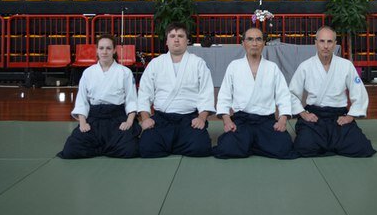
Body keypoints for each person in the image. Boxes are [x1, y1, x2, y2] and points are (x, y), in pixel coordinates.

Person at [289, 26, 376, 157]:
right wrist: (303, 114)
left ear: (335, 44)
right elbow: (292, 94)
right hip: (315, 115)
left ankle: (331, 142)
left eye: (329, 42)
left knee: (362, 147)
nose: (326, 46)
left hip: (338, 116)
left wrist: (350, 116)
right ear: (316, 43)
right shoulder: (305, 66)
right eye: (322, 41)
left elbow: (359, 92)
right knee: (304, 146)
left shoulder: (346, 65)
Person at [213, 27, 297, 159]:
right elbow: (224, 96)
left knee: (284, 146)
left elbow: (283, 96)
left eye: (258, 39)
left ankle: (249, 144)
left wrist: (282, 120)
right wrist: (227, 120)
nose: (254, 43)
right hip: (242, 120)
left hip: (265, 121)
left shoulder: (272, 68)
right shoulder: (234, 66)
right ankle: (256, 144)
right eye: (250, 39)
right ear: (243, 43)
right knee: (226, 147)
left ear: (263, 43)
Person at [137, 22, 215, 157]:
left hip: (188, 120)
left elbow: (206, 94)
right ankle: (177, 145)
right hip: (162, 120)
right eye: (172, 36)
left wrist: (201, 118)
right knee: (146, 147)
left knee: (201, 147)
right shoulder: (156, 63)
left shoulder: (198, 63)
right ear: (167, 41)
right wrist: (145, 118)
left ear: (187, 40)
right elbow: (144, 93)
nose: (176, 39)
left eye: (180, 36)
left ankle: (172, 145)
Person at [58, 34, 140, 159]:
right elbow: (82, 101)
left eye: (108, 48)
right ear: (96, 50)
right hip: (94, 118)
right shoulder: (88, 73)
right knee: (71, 149)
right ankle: (106, 147)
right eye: (101, 48)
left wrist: (129, 121)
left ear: (114, 50)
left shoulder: (124, 72)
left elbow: (131, 99)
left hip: (117, 118)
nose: (104, 52)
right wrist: (83, 123)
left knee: (130, 149)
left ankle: (101, 147)